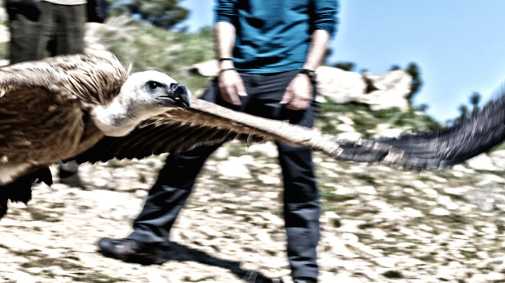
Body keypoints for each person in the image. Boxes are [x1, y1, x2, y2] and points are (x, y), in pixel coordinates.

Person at [97, 0, 338, 282]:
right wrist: (226, 67)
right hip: (235, 77)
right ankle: (146, 240)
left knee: (299, 178)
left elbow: (325, 21)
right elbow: (225, 14)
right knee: (183, 156)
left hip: (288, 79)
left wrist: (306, 74)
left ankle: (305, 275)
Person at [5, 0, 89, 188]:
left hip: (76, 5)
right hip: (32, 5)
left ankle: (69, 169)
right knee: (22, 86)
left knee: (73, 89)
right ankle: (18, 166)